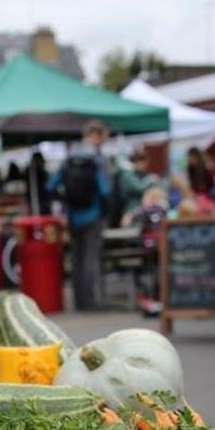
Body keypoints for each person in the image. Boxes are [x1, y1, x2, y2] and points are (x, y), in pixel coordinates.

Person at [47, 120, 112, 311]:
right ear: (96, 135)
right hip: (93, 215)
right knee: (90, 258)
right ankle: (90, 300)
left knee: (76, 259)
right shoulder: (96, 160)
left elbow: (50, 185)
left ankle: (78, 300)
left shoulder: (69, 158)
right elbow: (105, 190)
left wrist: (65, 200)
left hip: (73, 216)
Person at [121, 186, 170, 315]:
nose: (143, 200)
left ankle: (152, 301)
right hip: (162, 248)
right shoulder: (165, 210)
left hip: (150, 248)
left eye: (145, 198)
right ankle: (156, 300)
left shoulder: (149, 210)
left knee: (149, 274)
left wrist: (130, 215)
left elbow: (128, 221)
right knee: (156, 274)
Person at [114, 149, 158, 226]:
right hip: (130, 210)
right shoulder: (127, 174)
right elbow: (139, 188)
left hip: (142, 209)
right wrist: (150, 179)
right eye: (141, 162)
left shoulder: (139, 174)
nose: (144, 165)